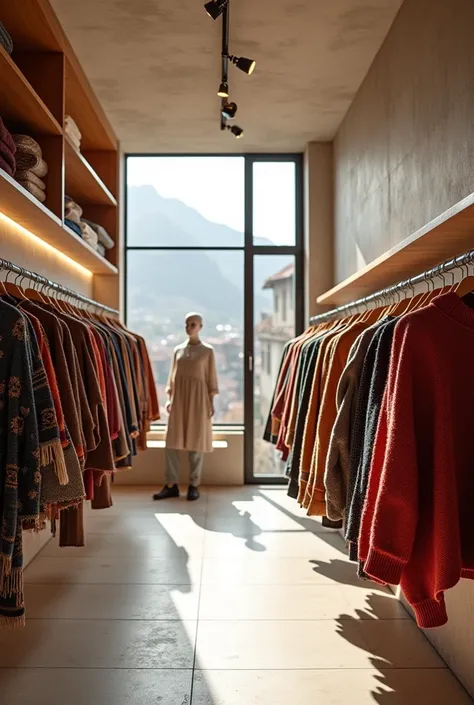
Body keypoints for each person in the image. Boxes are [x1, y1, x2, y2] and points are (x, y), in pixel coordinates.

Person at [153, 312, 219, 501]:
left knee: (195, 443)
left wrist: (211, 403)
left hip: (198, 400)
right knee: (172, 443)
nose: (189, 327)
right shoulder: (178, 350)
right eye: (187, 324)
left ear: (200, 327)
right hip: (179, 399)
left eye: (193, 324)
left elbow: (211, 378)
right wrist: (169, 398)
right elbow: (172, 377)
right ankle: (171, 484)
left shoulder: (208, 351)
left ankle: (194, 484)